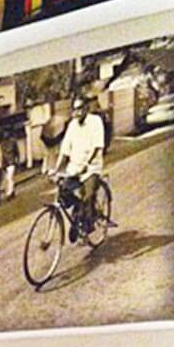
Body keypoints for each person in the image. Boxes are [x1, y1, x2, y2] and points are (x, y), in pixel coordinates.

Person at [55, 96, 106, 241]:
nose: (77, 113)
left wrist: (86, 164)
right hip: (74, 167)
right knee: (64, 192)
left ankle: (88, 222)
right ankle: (78, 214)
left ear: (86, 109)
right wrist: (56, 169)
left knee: (88, 195)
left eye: (80, 109)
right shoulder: (72, 125)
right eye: (74, 110)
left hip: (91, 167)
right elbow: (65, 150)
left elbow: (97, 146)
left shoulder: (95, 121)